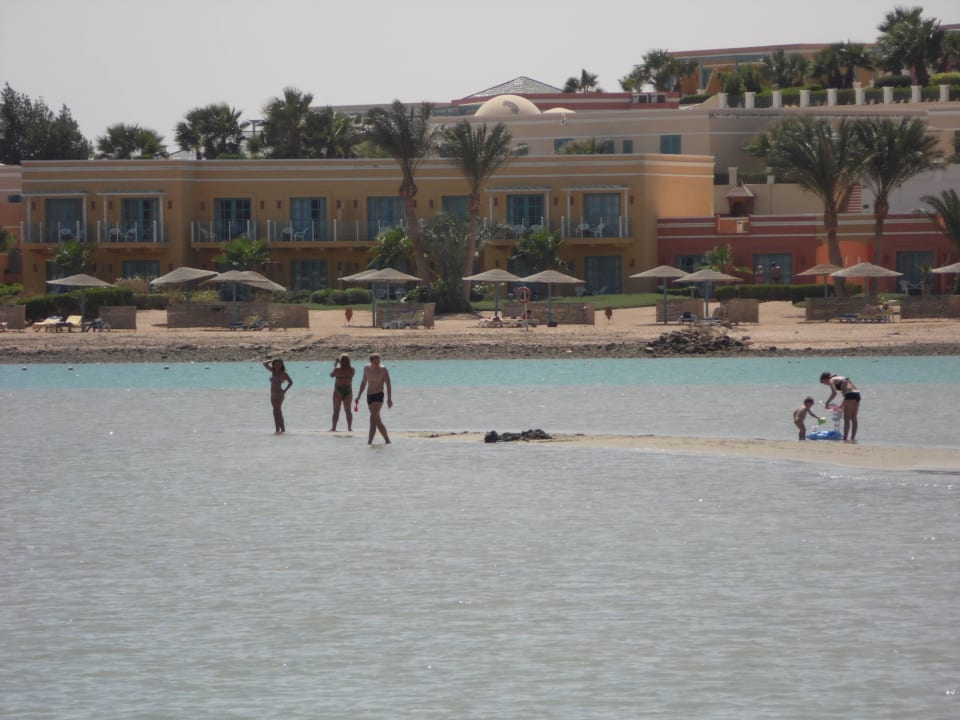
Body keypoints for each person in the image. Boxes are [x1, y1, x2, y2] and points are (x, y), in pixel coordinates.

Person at [355, 352, 392, 444]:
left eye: (378, 361)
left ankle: (369, 442)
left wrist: (389, 399)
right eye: (375, 362)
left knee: (372, 419)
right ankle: (387, 441)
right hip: (369, 396)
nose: (377, 363)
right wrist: (358, 396)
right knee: (377, 420)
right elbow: (363, 382)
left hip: (378, 395)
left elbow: (388, 384)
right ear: (371, 361)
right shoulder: (366, 368)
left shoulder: (383, 370)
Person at [820, 371, 861, 442]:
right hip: (857, 394)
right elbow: (846, 394)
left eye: (823, 382)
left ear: (826, 378)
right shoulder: (840, 378)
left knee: (847, 419)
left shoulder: (831, 380)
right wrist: (841, 406)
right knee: (853, 417)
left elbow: (834, 393)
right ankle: (853, 438)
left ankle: (845, 439)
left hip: (850, 395)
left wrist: (827, 403)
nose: (825, 384)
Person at [263, 358, 293, 433]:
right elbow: (264, 363)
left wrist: (285, 390)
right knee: (278, 412)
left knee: (276, 411)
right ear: (273, 365)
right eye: (276, 364)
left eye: (279, 364)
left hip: (279, 394)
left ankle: (277, 430)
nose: (277, 365)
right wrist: (273, 360)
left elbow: (290, 382)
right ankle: (282, 429)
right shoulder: (273, 371)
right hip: (272, 395)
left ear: (282, 365)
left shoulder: (283, 374)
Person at [330, 353, 355, 431]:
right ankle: (349, 428)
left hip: (338, 390)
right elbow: (352, 375)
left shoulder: (337, 369)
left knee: (336, 410)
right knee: (348, 411)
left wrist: (335, 364)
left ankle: (334, 428)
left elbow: (331, 375)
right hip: (348, 390)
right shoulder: (352, 369)